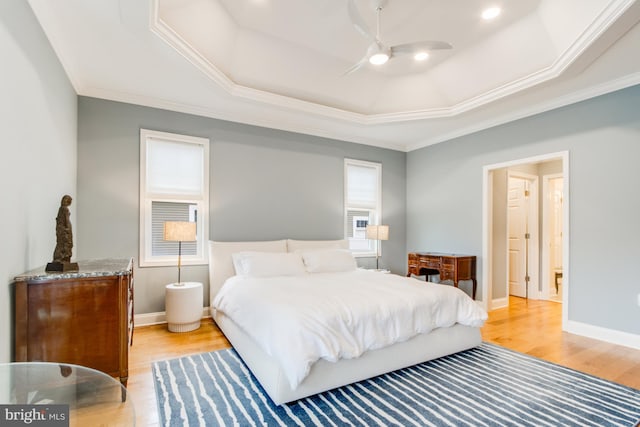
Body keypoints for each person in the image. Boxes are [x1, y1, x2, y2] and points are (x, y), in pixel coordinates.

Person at [53, 195, 73, 263]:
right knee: (64, 244)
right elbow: (66, 220)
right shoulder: (64, 209)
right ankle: (61, 258)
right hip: (64, 230)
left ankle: (61, 258)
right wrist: (67, 229)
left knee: (61, 243)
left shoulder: (61, 208)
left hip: (61, 229)